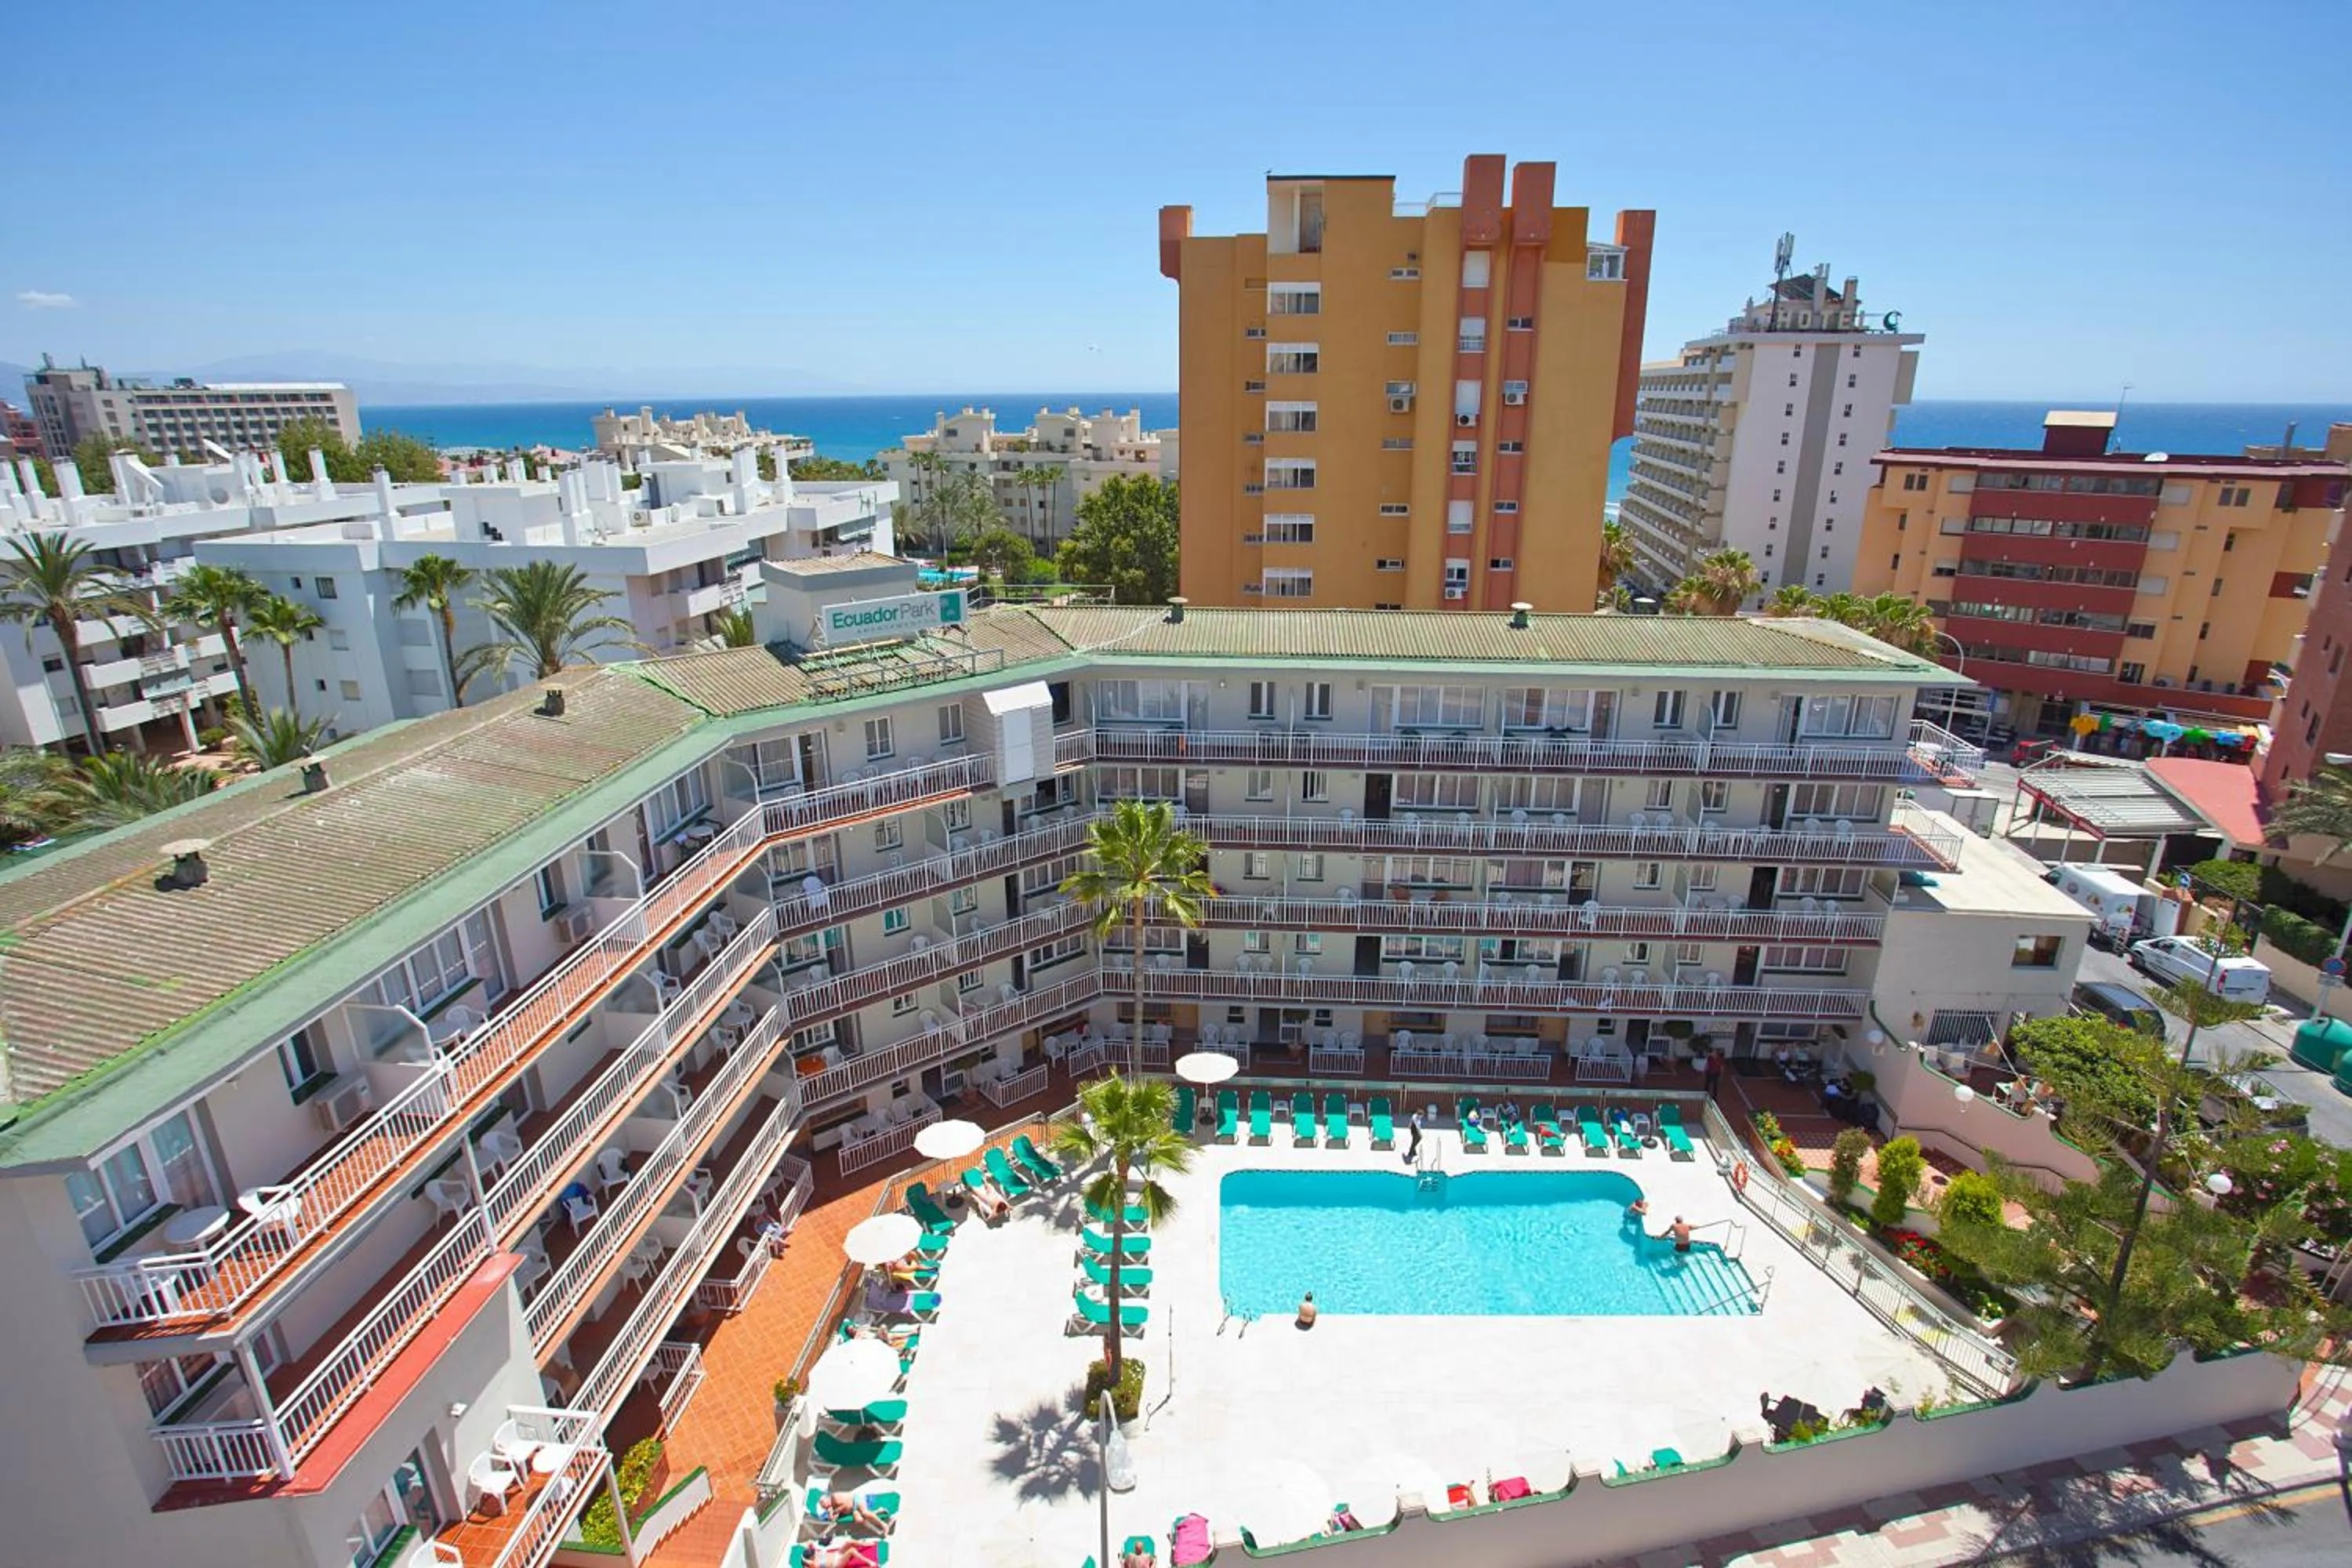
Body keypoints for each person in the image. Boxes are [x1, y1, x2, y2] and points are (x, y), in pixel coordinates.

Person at [818, 1492, 891, 1534]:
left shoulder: (834, 1498)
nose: (824, 1507)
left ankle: (883, 1525)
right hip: (853, 1509)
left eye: (823, 1505)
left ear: (827, 1499)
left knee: (864, 1513)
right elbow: (833, 1520)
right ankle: (878, 1526)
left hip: (856, 1499)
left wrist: (835, 1511)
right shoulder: (832, 1507)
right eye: (823, 1507)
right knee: (859, 1520)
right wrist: (830, 1513)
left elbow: (844, 1505)